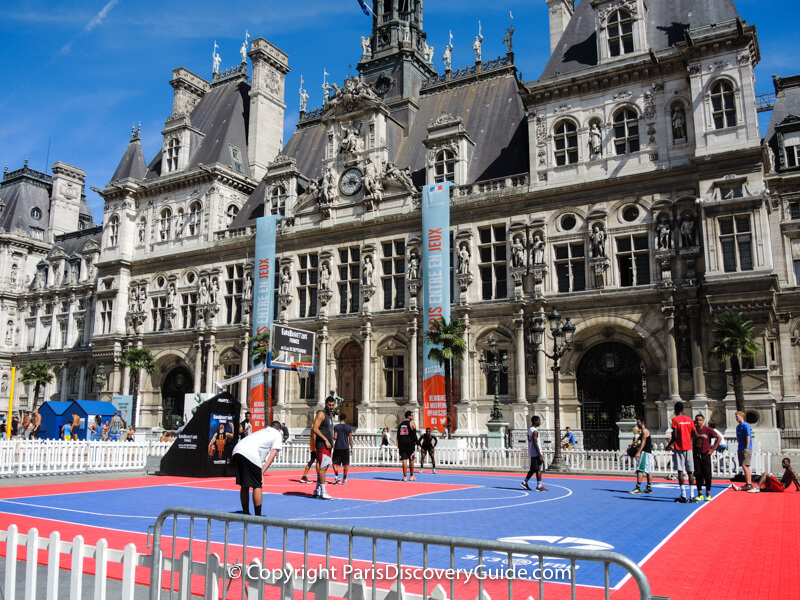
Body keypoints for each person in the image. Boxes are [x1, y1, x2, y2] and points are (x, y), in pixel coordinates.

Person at [231, 420, 283, 515]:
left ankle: (245, 512)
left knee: (244, 484)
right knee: (257, 485)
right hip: (250, 454)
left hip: (237, 451)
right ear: (279, 430)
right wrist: (262, 472)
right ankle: (258, 515)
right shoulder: (277, 434)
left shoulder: (262, 431)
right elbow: (272, 455)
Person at [669, 402, 697, 503]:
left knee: (680, 471)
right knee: (690, 471)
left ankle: (683, 495)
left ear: (675, 409)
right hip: (689, 447)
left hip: (679, 447)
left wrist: (669, 445)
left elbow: (675, 435)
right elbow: (695, 433)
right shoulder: (689, 419)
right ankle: (692, 496)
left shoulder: (675, 420)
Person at [311, 395, 336, 499]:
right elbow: (315, 429)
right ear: (326, 404)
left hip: (328, 445)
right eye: (329, 405)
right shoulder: (321, 414)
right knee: (323, 467)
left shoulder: (330, 415)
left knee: (325, 467)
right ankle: (323, 492)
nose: (331, 407)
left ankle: (317, 489)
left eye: (333, 405)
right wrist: (325, 439)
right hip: (322, 445)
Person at [693, 414, 720, 500]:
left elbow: (718, 437)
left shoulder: (707, 430)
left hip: (705, 454)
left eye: (700, 420)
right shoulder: (694, 430)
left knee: (707, 474)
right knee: (698, 474)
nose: (698, 422)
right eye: (697, 420)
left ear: (703, 421)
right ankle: (699, 493)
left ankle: (708, 493)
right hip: (696, 454)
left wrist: (713, 449)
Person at [521, 416, 546, 491]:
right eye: (539, 421)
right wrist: (540, 455)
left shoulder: (529, 430)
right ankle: (539, 486)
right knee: (538, 469)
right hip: (536, 453)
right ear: (535, 421)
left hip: (532, 452)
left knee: (533, 469)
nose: (540, 422)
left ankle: (524, 482)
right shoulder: (535, 431)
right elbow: (535, 443)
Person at [630, 417, 653, 494]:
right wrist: (632, 444)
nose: (637, 424)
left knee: (640, 470)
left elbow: (643, 442)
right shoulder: (644, 431)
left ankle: (638, 488)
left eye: (638, 422)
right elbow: (638, 440)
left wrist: (638, 452)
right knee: (648, 470)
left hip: (645, 452)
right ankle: (649, 487)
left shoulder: (644, 430)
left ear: (642, 423)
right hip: (648, 452)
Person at [734, 411, 754, 491]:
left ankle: (749, 483)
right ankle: (748, 482)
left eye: (737, 416)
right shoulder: (738, 427)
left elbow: (748, 436)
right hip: (740, 448)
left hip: (746, 448)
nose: (736, 418)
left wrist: (747, 447)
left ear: (741, 416)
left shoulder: (746, 425)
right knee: (744, 465)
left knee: (745, 465)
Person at [332, 413, 353, 485]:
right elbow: (350, 438)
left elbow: (335, 437)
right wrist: (352, 448)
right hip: (346, 447)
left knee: (335, 463)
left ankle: (337, 476)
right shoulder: (349, 427)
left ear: (339, 419)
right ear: (345, 419)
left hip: (338, 446)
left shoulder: (336, 427)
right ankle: (344, 479)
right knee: (346, 464)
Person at [397, 410, 418, 481]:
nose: (412, 416)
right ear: (408, 416)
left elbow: (398, 435)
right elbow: (414, 435)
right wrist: (418, 444)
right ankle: (412, 475)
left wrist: (398, 443)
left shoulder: (400, 424)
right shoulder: (412, 424)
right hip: (410, 443)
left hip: (402, 443)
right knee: (411, 459)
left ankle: (405, 476)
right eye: (411, 415)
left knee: (404, 460)